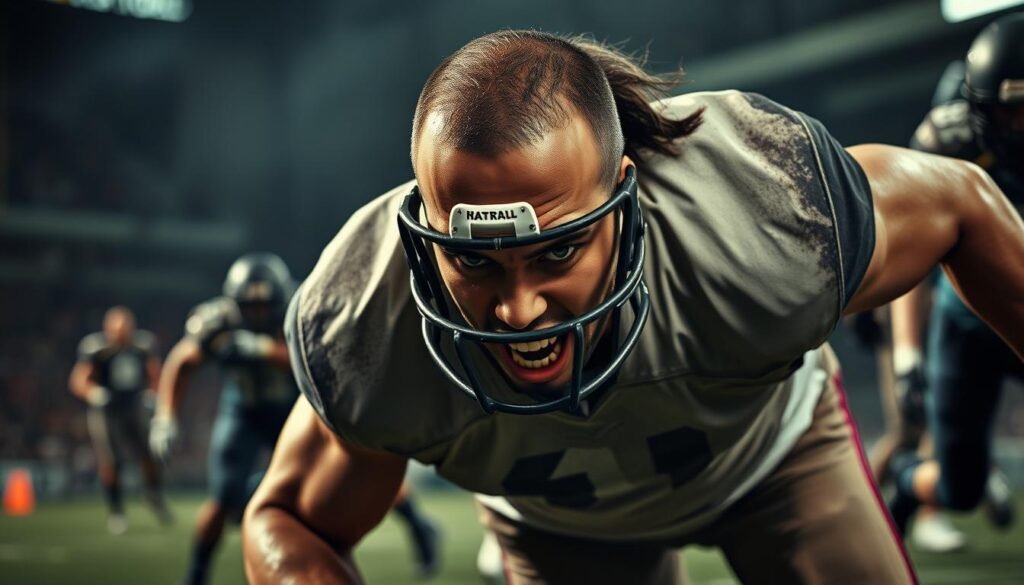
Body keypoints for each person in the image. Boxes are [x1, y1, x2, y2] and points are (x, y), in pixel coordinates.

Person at [243, 31, 1024, 585]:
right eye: (473, 259)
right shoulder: (373, 321)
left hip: (776, 461)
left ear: (626, 197)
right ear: (423, 230)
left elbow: (963, 201)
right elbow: (287, 521)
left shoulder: (760, 218)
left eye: (557, 251)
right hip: (560, 528)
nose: (518, 311)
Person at [152, 253, 441, 585]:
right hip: (243, 411)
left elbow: (317, 356)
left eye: (264, 306)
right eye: (249, 306)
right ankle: (196, 575)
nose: (258, 313)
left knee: (355, 475)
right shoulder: (220, 321)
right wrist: (166, 417)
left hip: (296, 408)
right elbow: (183, 360)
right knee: (223, 498)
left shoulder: (303, 306)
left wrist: (259, 348)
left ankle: (418, 524)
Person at [885, 12, 1024, 540]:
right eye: (1013, 114)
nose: (1022, 129)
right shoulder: (950, 136)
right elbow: (910, 247)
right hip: (965, 321)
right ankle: (905, 479)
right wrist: (907, 352)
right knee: (960, 489)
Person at [68, 306, 171, 534]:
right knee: (111, 461)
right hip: (106, 409)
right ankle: (117, 511)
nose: (122, 333)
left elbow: (155, 373)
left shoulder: (143, 345)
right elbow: (79, 379)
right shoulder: (96, 348)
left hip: (134, 405)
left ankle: (152, 494)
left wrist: (153, 394)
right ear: (108, 328)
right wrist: (94, 393)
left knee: (150, 453)